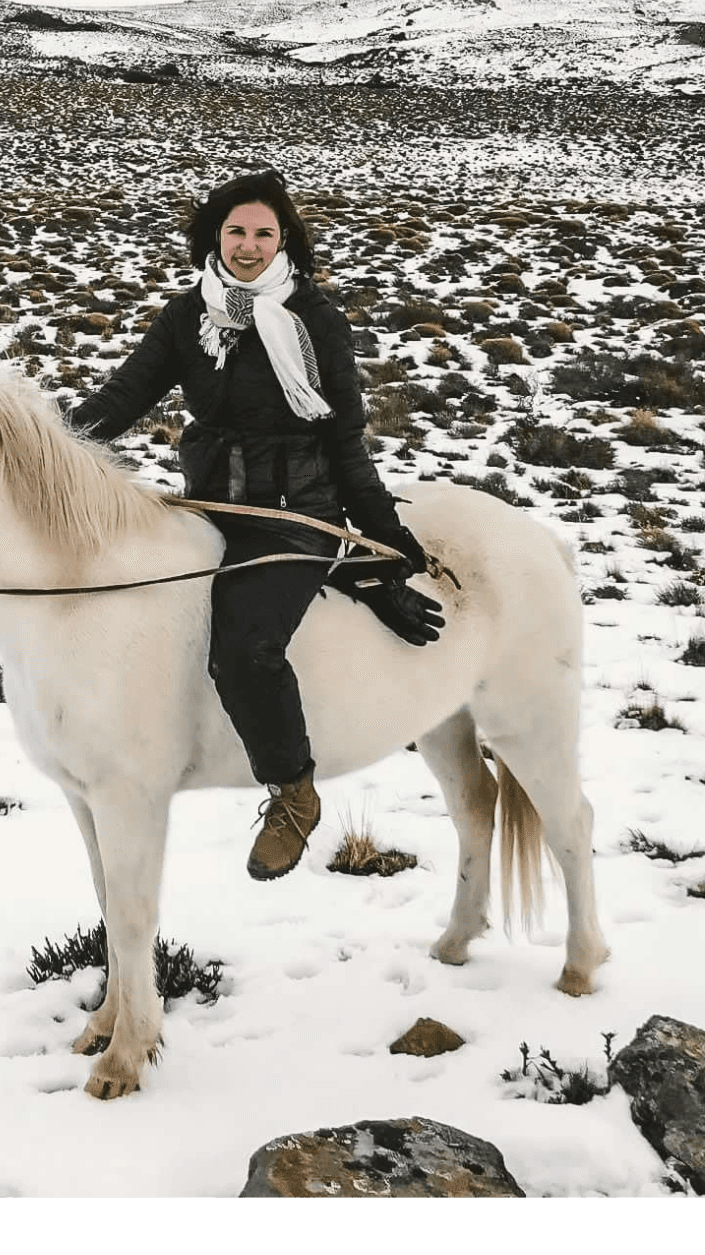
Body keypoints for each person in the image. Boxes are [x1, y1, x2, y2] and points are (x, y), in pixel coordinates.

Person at [70, 169, 444, 881]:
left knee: (244, 647)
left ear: (285, 241)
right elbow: (123, 397)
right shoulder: (189, 316)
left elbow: (345, 442)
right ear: (215, 236)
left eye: (263, 233)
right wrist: (44, 443)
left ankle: (293, 792)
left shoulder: (316, 320)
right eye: (236, 231)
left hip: (294, 519)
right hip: (207, 509)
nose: (247, 246)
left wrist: (389, 545)